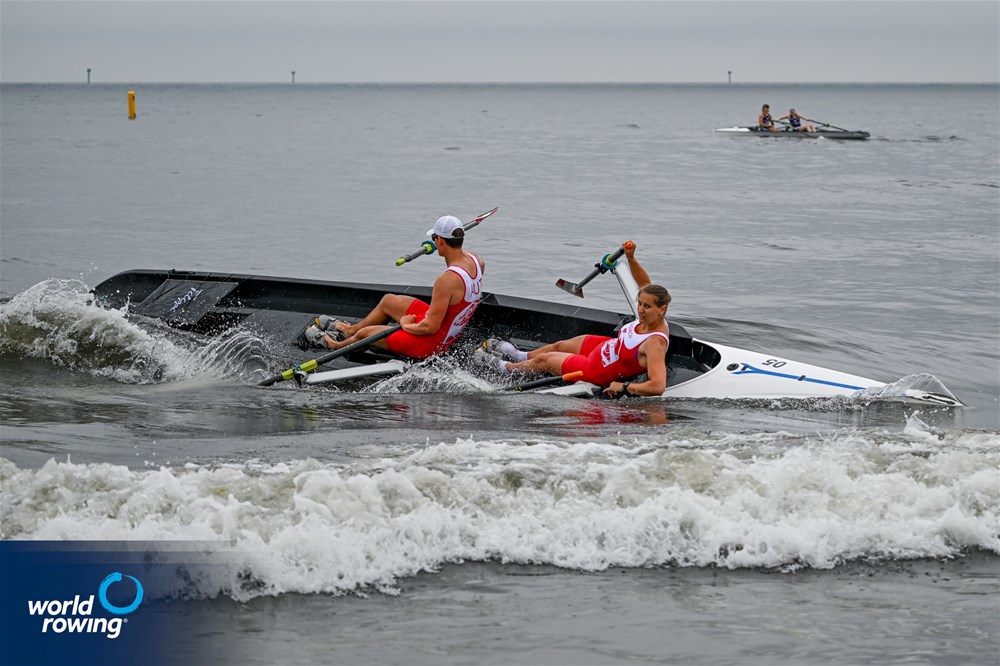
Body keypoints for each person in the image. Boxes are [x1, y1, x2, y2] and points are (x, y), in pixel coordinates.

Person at [476, 242, 670, 398]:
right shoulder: (653, 312)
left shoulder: (655, 343)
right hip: (608, 347)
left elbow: (658, 385)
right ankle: (520, 355)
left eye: (647, 307)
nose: (641, 310)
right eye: (640, 304)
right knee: (559, 345)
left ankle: (506, 368)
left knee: (544, 360)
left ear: (662, 309)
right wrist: (631, 258)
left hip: (598, 369)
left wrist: (624, 387)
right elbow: (644, 284)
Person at [306, 215, 485, 358]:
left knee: (366, 334)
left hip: (432, 343)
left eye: (434, 238)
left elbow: (429, 328)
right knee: (388, 301)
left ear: (439, 241)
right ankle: (350, 330)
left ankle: (335, 345)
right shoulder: (476, 260)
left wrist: (406, 325)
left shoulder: (446, 281)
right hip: (442, 324)